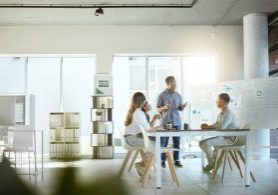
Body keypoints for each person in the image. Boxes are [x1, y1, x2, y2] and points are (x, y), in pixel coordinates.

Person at [199, 93, 238, 172]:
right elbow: (217, 124)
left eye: (218, 100)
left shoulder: (229, 113)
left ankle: (213, 163)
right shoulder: (222, 113)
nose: (216, 102)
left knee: (205, 144)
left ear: (223, 101)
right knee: (201, 143)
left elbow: (221, 127)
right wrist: (208, 126)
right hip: (223, 137)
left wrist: (209, 127)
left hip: (229, 139)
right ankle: (215, 162)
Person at [124, 92, 161, 176]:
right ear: (141, 101)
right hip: (132, 139)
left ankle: (143, 164)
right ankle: (141, 165)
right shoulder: (139, 113)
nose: (145, 102)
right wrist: (159, 127)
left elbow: (147, 128)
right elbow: (149, 129)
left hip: (130, 138)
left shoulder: (135, 111)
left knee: (155, 144)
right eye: (144, 100)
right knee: (157, 145)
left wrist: (155, 126)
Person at [157, 76, 187, 168]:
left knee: (177, 142)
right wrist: (164, 107)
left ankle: (176, 160)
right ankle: (162, 160)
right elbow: (158, 109)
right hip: (166, 122)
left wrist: (183, 107)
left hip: (176, 122)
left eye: (175, 82)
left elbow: (180, 109)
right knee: (164, 142)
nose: (175, 84)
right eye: (173, 83)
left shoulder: (178, 95)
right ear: (168, 83)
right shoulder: (161, 95)